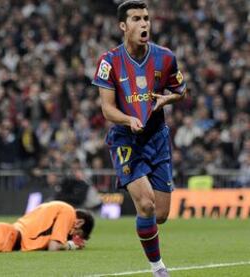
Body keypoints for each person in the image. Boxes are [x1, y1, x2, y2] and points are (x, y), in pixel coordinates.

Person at [92, 1, 186, 276]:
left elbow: (181, 90)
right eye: (136, 19)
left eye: (146, 18)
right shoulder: (109, 61)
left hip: (157, 137)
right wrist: (127, 119)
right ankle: (158, 268)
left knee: (160, 215)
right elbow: (107, 108)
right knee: (145, 203)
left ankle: (147, 231)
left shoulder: (166, 57)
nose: (144, 23)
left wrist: (169, 98)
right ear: (124, 26)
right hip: (125, 138)